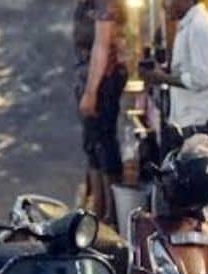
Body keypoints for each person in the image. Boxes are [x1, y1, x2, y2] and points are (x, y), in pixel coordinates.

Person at [141, 0, 208, 155]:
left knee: (200, 178)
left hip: (205, 122)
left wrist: (162, 78)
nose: (164, 5)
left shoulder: (201, 27)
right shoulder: (189, 26)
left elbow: (201, 79)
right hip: (194, 121)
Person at [74, 0, 128, 225]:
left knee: (103, 142)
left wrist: (91, 91)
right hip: (88, 75)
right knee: (92, 142)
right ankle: (98, 208)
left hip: (103, 79)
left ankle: (111, 214)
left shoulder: (106, 3)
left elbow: (102, 45)